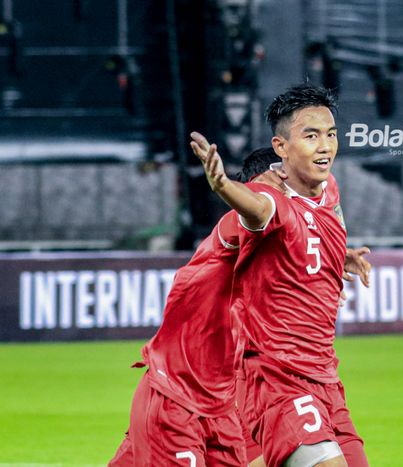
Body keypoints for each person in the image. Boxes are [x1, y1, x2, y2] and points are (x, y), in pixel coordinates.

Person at [109, 145, 370, 467]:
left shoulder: (279, 247)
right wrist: (223, 185)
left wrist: (332, 255)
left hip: (223, 404)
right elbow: (263, 213)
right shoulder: (244, 220)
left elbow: (298, 231)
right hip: (177, 393)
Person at [190, 83, 370, 467]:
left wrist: (337, 257)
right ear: (281, 147)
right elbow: (256, 208)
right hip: (279, 377)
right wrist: (223, 185)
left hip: (325, 377)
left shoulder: (327, 188)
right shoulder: (271, 199)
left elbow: (324, 221)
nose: (325, 145)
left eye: (331, 134)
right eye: (311, 136)